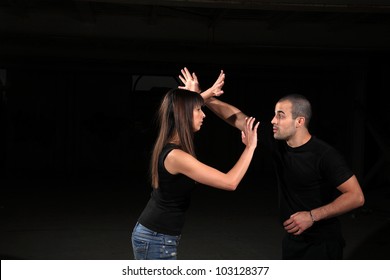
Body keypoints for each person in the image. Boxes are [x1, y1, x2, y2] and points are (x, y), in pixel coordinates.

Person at [179, 67, 365, 260]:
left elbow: (356, 196)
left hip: (323, 244)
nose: (273, 120)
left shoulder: (324, 154)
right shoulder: (276, 141)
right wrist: (203, 97)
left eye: (281, 115)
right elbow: (238, 118)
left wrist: (312, 216)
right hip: (293, 240)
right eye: (275, 114)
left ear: (299, 121)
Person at [131, 73, 260, 260]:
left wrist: (201, 93)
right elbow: (230, 182)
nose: (204, 114)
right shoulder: (176, 156)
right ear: (184, 114)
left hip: (158, 236)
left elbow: (179, 108)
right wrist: (250, 147)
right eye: (198, 110)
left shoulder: (173, 142)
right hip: (156, 238)